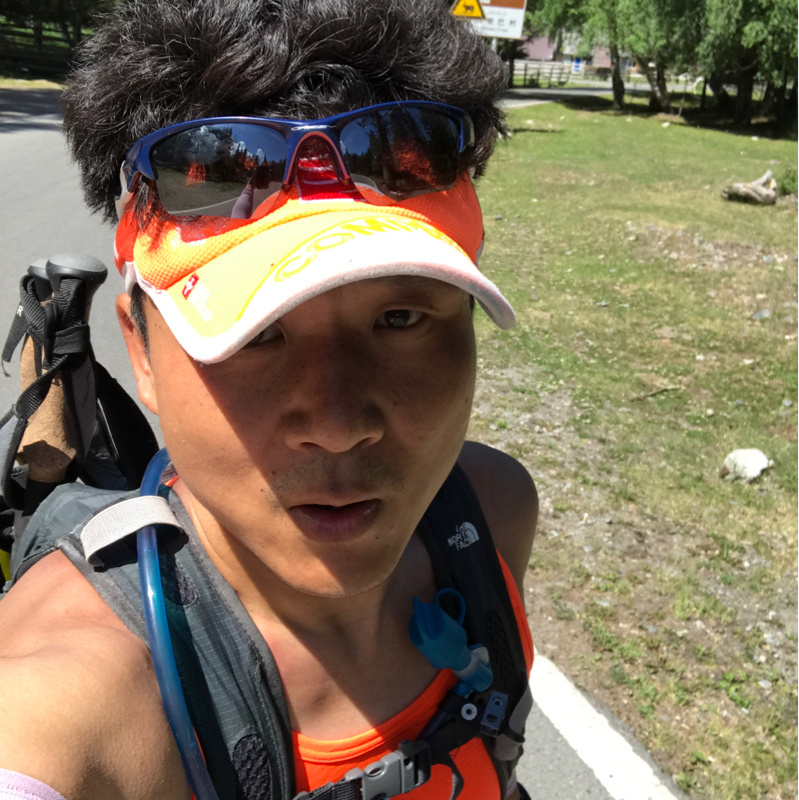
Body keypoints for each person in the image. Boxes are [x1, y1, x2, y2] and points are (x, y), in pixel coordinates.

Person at [0, 1, 538, 798]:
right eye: (256, 337)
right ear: (140, 349)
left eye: (399, 319)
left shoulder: (490, 512)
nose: (337, 426)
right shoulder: (61, 706)